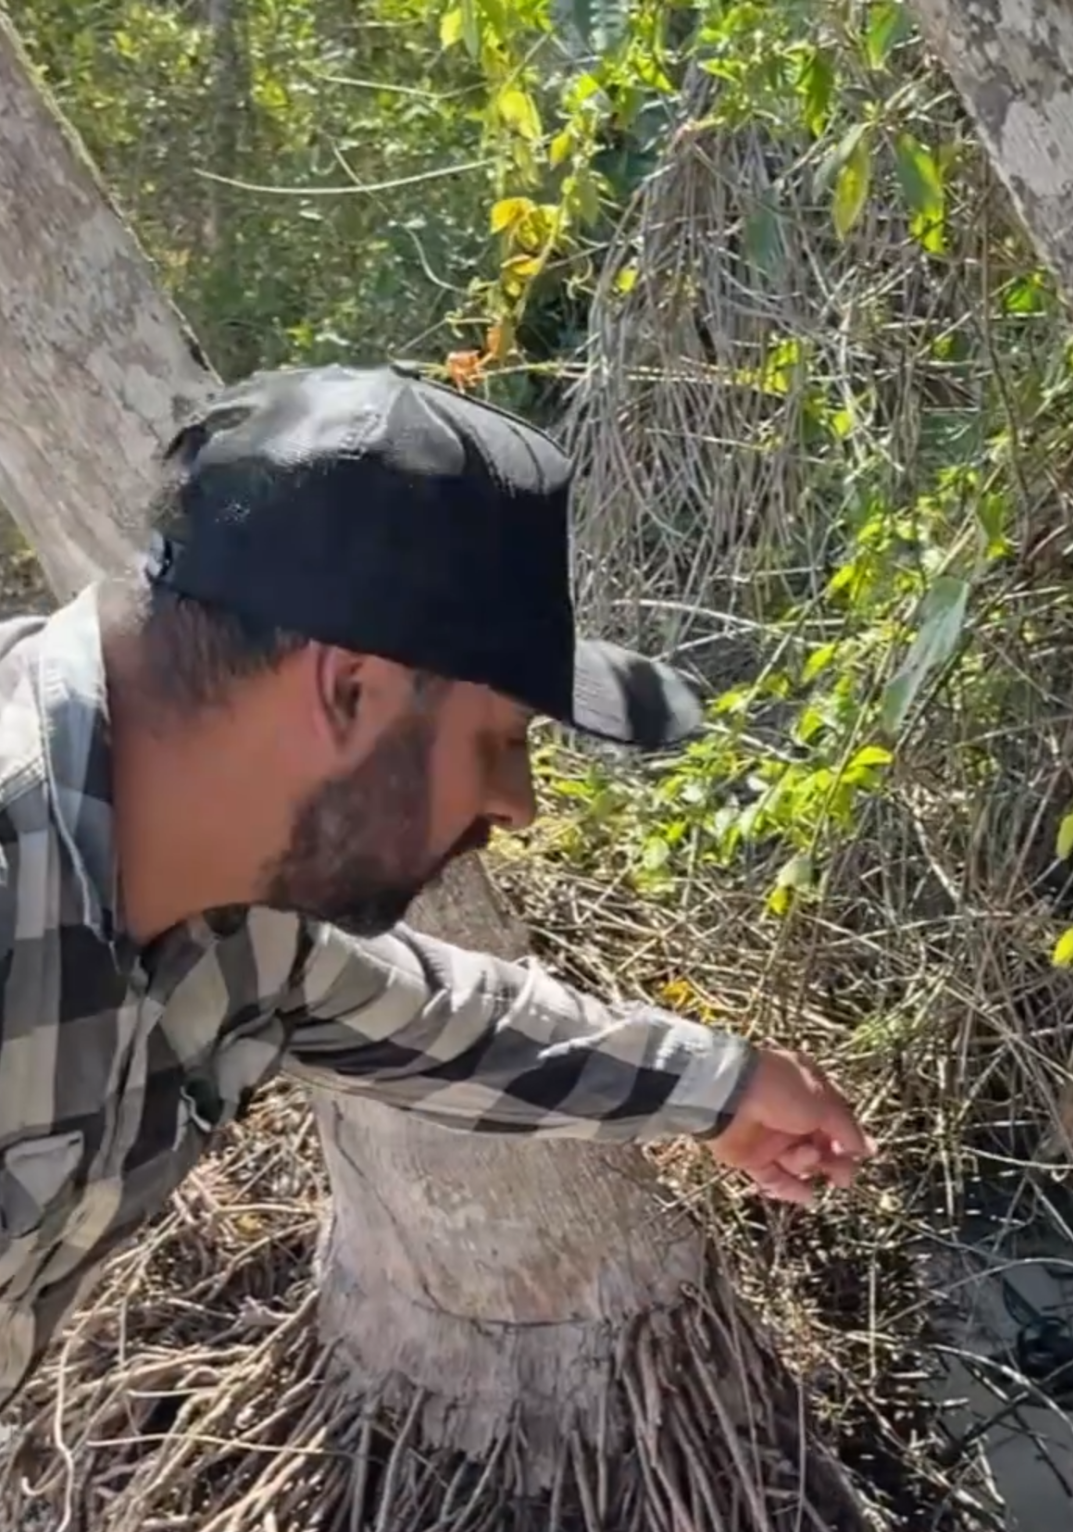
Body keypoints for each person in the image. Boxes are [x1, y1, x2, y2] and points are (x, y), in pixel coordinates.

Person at [0, 361, 873, 1407]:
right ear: (351, 688)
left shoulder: (230, 919)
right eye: (500, 741)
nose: (519, 806)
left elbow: (448, 1024)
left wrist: (720, 1087)